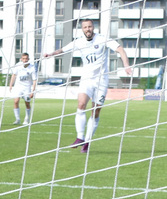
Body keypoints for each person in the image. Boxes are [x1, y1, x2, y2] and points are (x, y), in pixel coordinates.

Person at [43, 19, 132, 154]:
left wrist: (126, 65)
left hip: (101, 81)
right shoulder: (79, 41)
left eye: (89, 26)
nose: (87, 29)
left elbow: (120, 49)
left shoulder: (102, 39)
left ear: (93, 28)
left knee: (95, 112)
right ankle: (80, 137)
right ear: (82, 29)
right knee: (81, 104)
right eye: (85, 27)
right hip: (86, 79)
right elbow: (63, 50)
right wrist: (50, 54)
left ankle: (87, 141)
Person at [7, 52, 37, 125]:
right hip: (18, 87)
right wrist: (11, 85)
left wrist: (33, 91)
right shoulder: (18, 65)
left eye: (26, 58)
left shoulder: (32, 67)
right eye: (23, 59)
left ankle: (26, 119)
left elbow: (34, 80)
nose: (25, 60)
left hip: (27, 88)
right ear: (21, 59)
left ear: (28, 59)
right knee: (16, 101)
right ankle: (17, 119)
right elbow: (14, 75)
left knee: (27, 103)